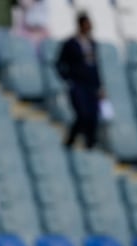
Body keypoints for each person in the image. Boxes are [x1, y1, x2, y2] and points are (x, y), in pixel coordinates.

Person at [56, 14, 101, 149]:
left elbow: (95, 66)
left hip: (91, 85)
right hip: (78, 84)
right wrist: (68, 77)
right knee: (82, 114)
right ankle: (70, 141)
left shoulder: (92, 43)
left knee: (93, 115)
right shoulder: (71, 43)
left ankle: (90, 143)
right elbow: (59, 63)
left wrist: (99, 86)